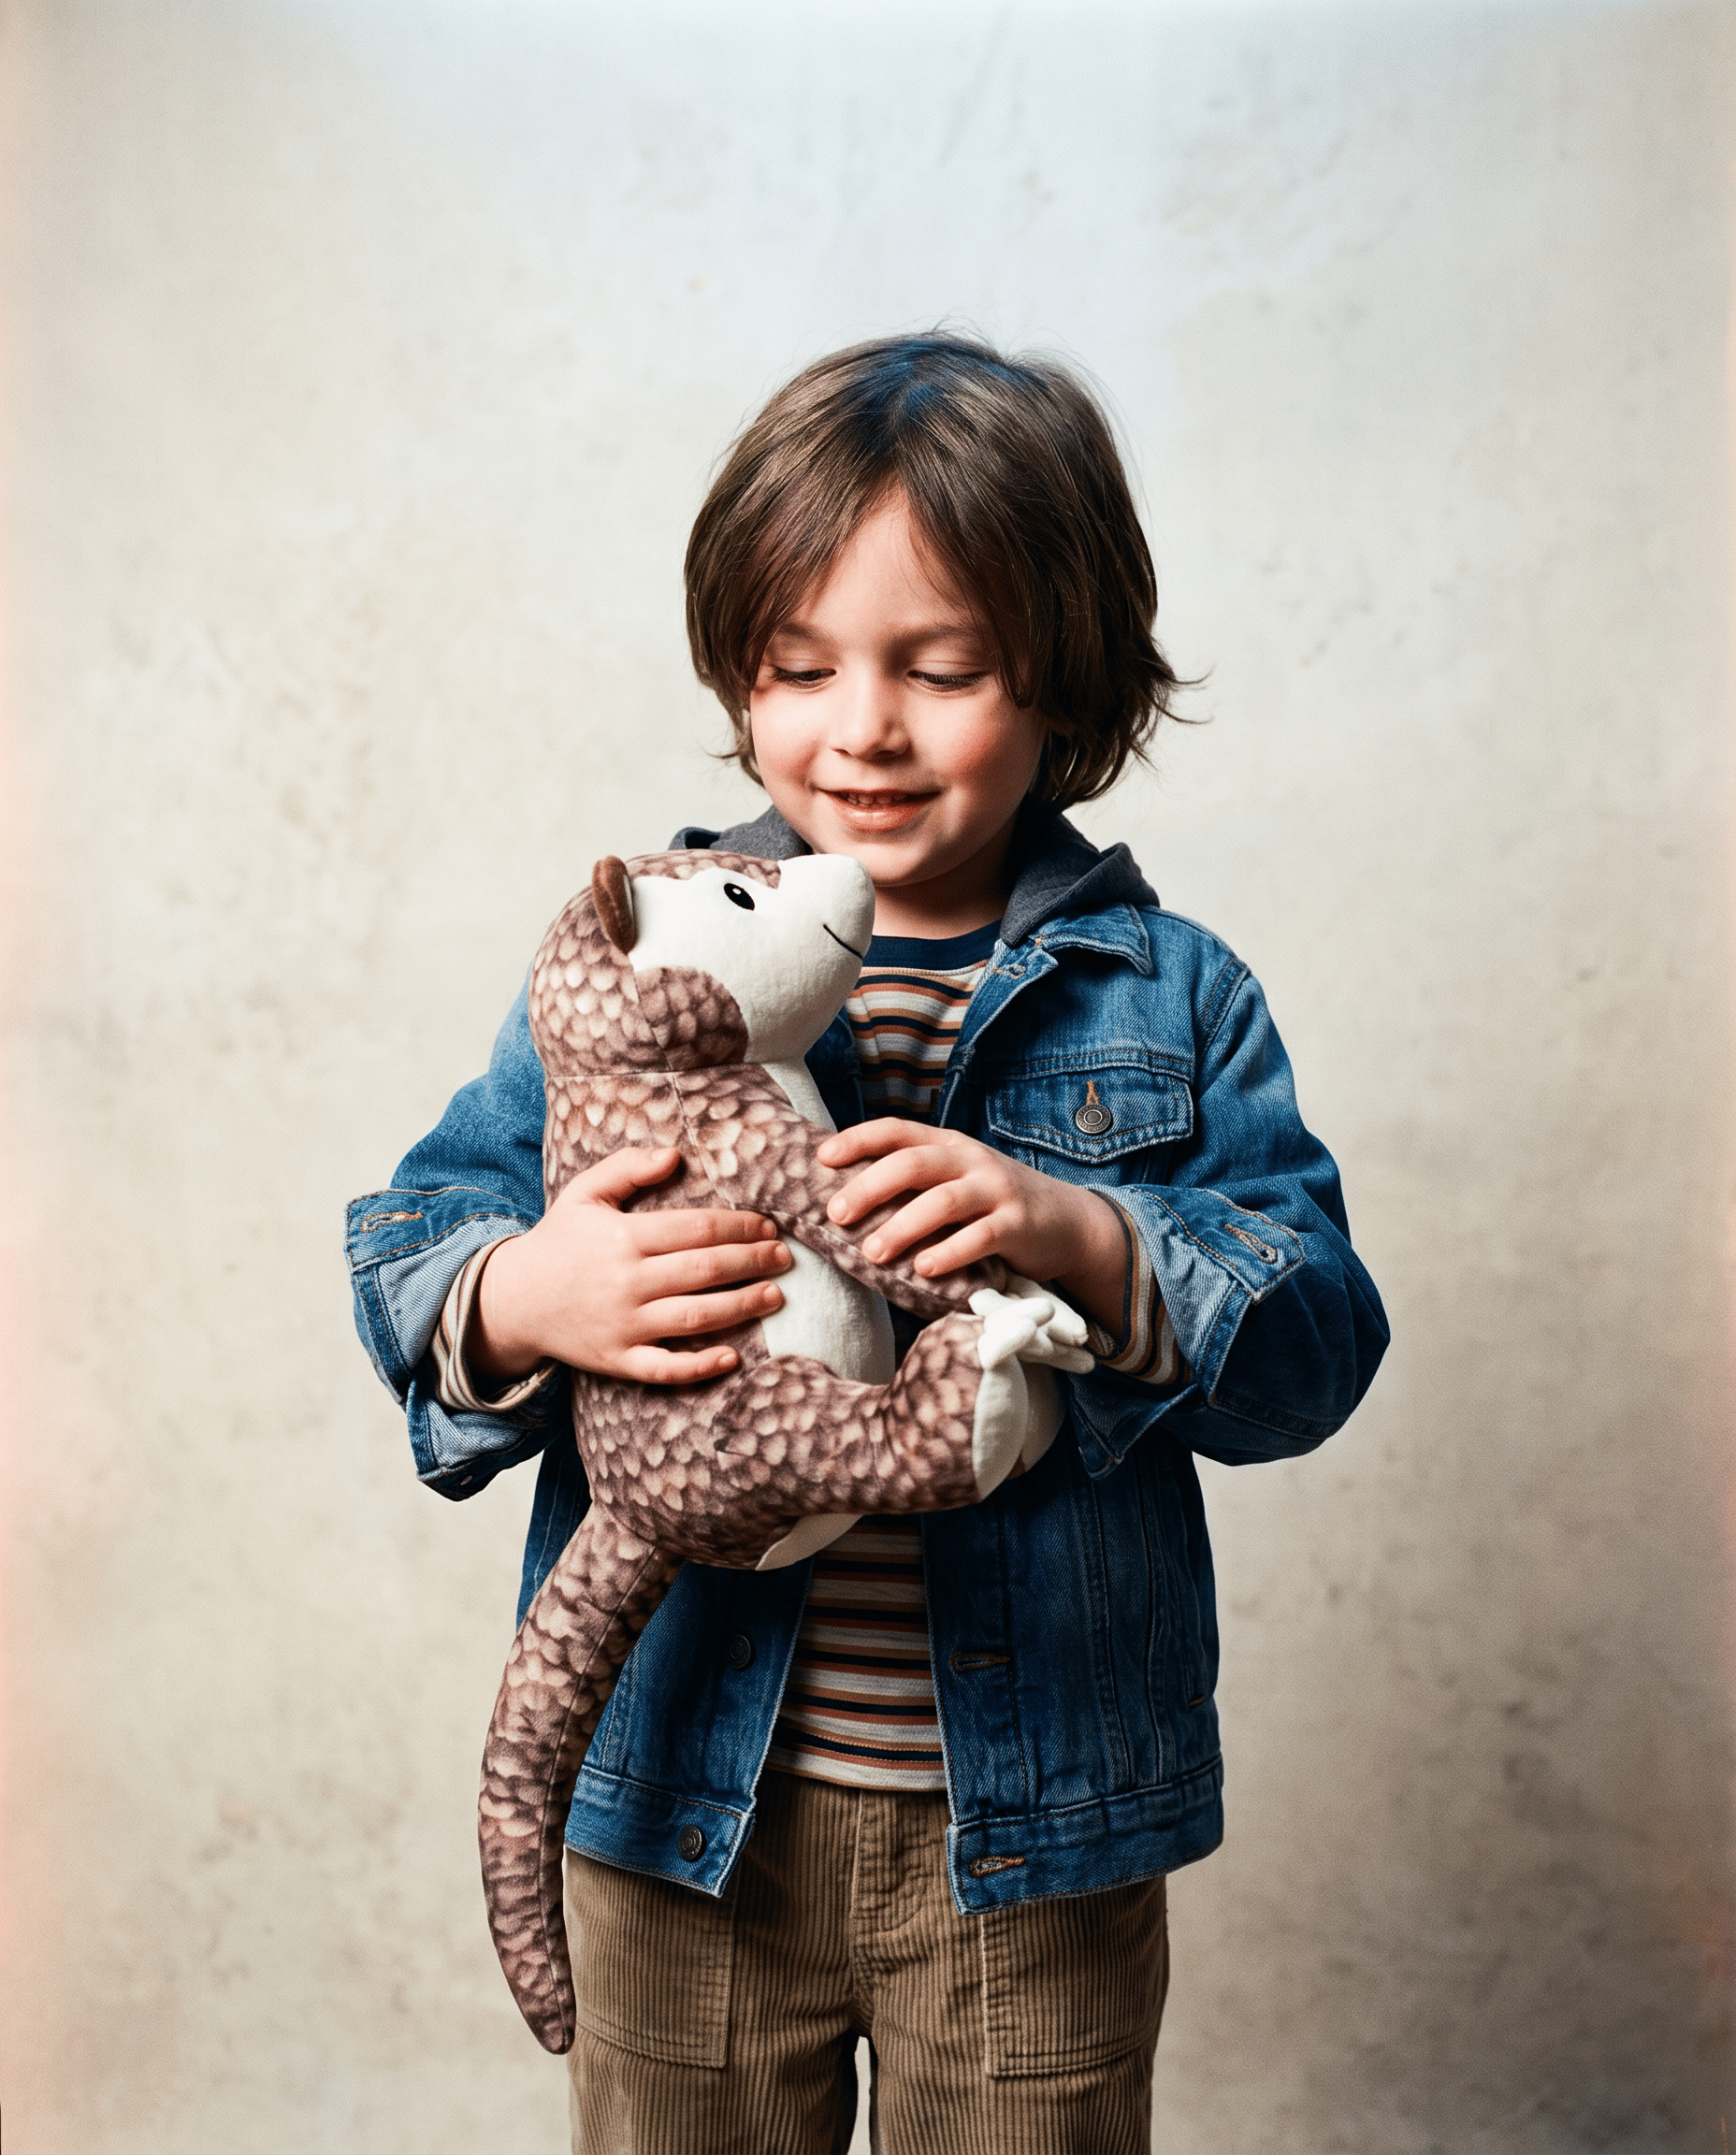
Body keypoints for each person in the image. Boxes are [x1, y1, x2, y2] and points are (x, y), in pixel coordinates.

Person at [345, 333, 1389, 2155]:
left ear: (1064, 676)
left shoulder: (1165, 989)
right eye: (797, 667)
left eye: (943, 668)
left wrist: (1088, 1242)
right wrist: (526, 1297)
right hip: (678, 1791)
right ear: (736, 676)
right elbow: (421, 1232)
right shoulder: (643, 949)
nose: (862, 728)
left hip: (1032, 1822)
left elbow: (1315, 1342)